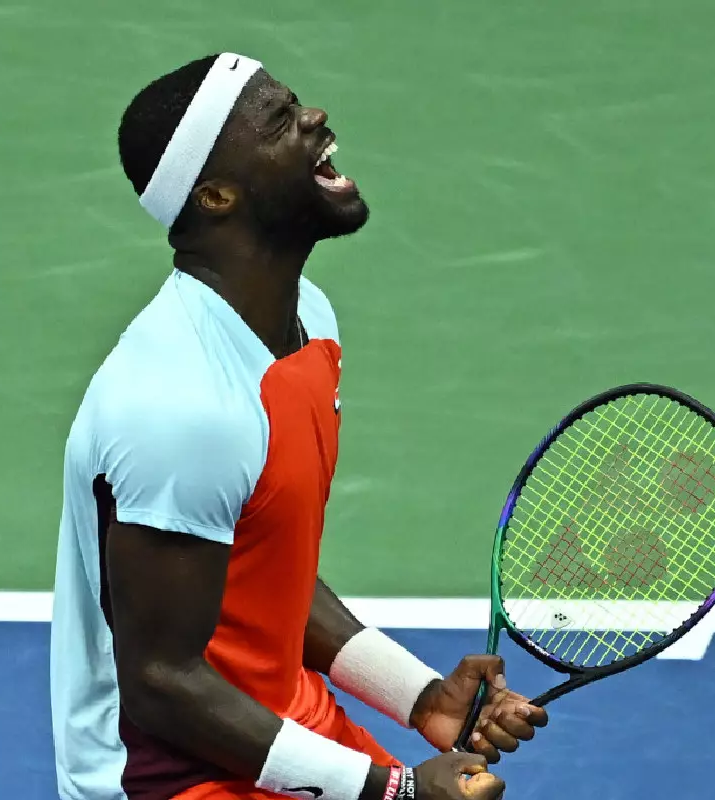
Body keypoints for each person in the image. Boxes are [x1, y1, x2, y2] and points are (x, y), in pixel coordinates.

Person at [49, 53, 547, 800]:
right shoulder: (181, 408)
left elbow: (267, 580)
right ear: (217, 194)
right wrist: (393, 790)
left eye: (296, 103)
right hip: (176, 777)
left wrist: (423, 700)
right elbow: (163, 685)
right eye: (278, 121)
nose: (315, 118)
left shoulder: (308, 321)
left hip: (276, 724)